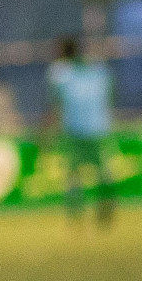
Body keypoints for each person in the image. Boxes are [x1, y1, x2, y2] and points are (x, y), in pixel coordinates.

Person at [46, 38, 116, 226]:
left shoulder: (60, 73)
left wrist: (47, 129)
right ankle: (106, 209)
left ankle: (75, 215)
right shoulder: (98, 69)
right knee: (103, 170)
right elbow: (109, 94)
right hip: (99, 127)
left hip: (75, 130)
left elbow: (56, 103)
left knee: (73, 173)